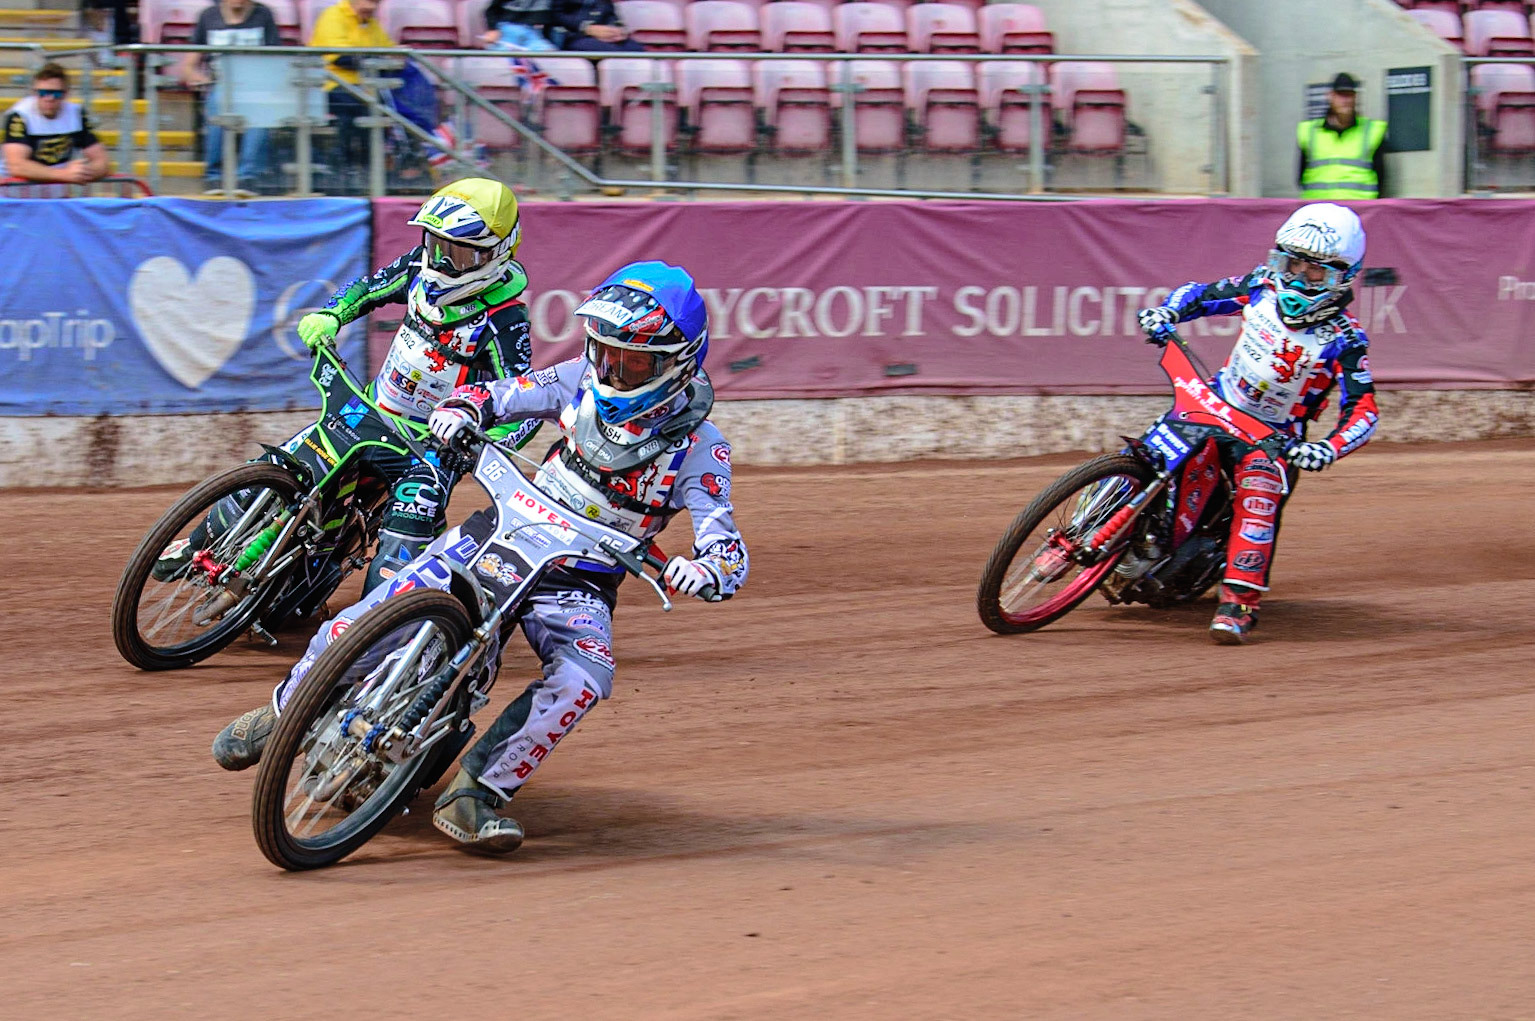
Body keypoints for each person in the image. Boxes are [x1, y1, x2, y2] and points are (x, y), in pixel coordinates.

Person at [212, 260, 749, 858]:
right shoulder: (577, 378)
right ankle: (281, 711)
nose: (612, 369)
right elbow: (498, 393)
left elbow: (724, 544)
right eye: (604, 352)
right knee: (371, 612)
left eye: (632, 361)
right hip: (506, 524)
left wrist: (705, 569)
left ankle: (476, 791)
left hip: (582, 578)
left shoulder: (702, 448)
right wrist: (463, 411)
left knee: (584, 678)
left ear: (677, 363)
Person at [188, 179, 533, 741]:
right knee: (293, 460)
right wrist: (330, 314)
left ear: (497, 253)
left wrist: (486, 442)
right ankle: (202, 540)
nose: (442, 258)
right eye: (436, 242)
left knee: (404, 543)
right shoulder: (421, 267)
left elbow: (520, 401)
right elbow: (367, 288)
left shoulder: (505, 320)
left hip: (431, 446)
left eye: (460, 250)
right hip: (373, 407)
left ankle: (371, 640)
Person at [1136, 202, 1379, 645]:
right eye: (1292, 264)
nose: (1299, 279)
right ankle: (1105, 519)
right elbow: (1200, 294)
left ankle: (1238, 604)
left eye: (1316, 274)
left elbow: (1364, 409)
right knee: (1153, 453)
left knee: (1259, 496)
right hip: (1214, 403)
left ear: (1344, 276)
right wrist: (1166, 312)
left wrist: (1327, 447)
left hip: (1273, 439)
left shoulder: (1345, 338)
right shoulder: (1260, 286)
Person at [178, 0, 282, 194]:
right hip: (221, 84)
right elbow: (188, 66)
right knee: (218, 100)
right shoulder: (208, 16)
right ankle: (214, 176)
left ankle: (248, 176)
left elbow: (275, 58)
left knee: (261, 105)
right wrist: (200, 78)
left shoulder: (263, 15)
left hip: (255, 85)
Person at [309, 0, 397, 188]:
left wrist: (391, 55)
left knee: (379, 106)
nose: (372, 7)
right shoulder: (333, 16)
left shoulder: (371, 23)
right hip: (329, 84)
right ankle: (344, 169)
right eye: (368, 1)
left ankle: (364, 171)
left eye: (375, 2)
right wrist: (375, 58)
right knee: (361, 107)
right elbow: (341, 58)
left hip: (364, 87)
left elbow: (389, 52)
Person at [2, 63, 111, 186]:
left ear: (65, 94)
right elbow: (17, 166)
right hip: (17, 195)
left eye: (56, 93)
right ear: (35, 93)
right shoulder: (20, 115)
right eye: (43, 93)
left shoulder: (76, 114)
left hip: (55, 194)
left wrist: (82, 173)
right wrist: (64, 174)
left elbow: (102, 162)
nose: (49, 98)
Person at [1298, 72, 1388, 200]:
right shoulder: (1308, 131)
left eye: (1349, 95)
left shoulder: (1372, 131)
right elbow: (1300, 177)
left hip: (1359, 211)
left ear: (1355, 97)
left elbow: (1381, 178)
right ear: (1330, 96)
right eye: (1340, 95)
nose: (1345, 100)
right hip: (1320, 211)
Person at [545, 0, 644, 51]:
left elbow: (609, 13)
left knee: (635, 49)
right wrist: (586, 28)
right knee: (615, 52)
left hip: (603, 35)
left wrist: (615, 29)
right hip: (573, 35)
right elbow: (556, 16)